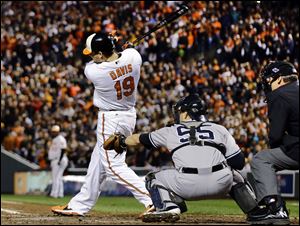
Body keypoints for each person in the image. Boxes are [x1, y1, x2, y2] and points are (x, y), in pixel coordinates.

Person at [104, 94, 259, 223]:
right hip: (220, 184)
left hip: (187, 185)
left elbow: (139, 139)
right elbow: (238, 162)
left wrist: (122, 140)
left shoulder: (171, 131)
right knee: (234, 174)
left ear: (185, 113)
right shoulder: (219, 129)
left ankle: (169, 206)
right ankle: (255, 211)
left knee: (152, 178)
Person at [51, 32, 153, 216]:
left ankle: (153, 199)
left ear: (99, 54)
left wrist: (116, 45)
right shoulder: (134, 57)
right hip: (128, 115)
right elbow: (122, 54)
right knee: (98, 162)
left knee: (113, 166)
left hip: (110, 118)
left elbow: (104, 61)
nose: (91, 56)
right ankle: (80, 205)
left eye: (93, 53)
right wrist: (116, 46)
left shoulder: (94, 71)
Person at [247, 61, 299, 225]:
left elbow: (275, 136)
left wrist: (281, 144)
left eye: (269, 79)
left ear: (279, 79)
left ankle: (274, 209)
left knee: (261, 159)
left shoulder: (280, 94)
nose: (267, 84)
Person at [48, 125, 69, 198]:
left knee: (55, 177)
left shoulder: (60, 139)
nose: (53, 133)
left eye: (55, 132)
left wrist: (59, 160)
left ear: (58, 132)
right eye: (53, 132)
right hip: (57, 159)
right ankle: (60, 194)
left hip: (59, 159)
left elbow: (63, 149)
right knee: (59, 177)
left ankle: (54, 194)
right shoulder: (55, 139)